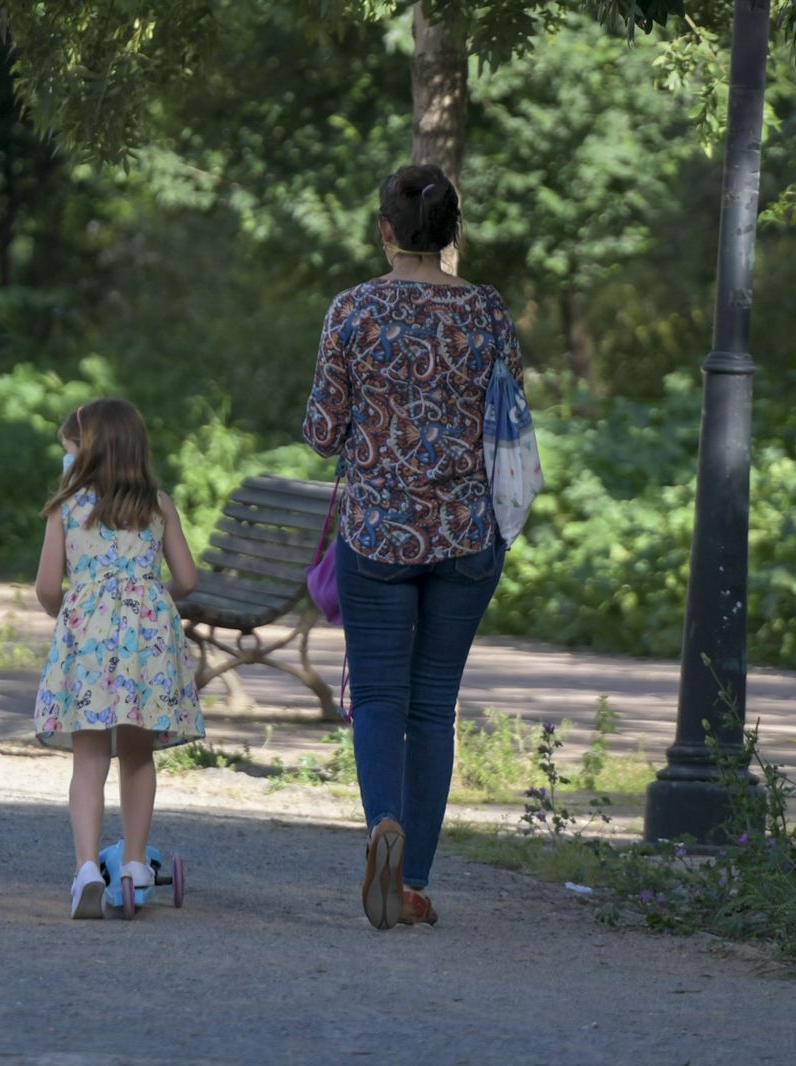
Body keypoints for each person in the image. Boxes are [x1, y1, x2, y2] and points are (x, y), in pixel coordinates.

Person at [302, 163, 523, 930]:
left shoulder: (354, 309)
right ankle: (416, 882)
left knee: (379, 698)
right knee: (434, 707)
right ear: (453, 232)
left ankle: (382, 828)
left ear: (385, 230)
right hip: (467, 535)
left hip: (377, 537)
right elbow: (510, 413)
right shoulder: (488, 312)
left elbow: (323, 431)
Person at [33, 398, 205, 919]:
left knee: (88, 760)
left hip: (87, 638)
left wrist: (77, 610)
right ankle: (132, 862)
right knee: (136, 755)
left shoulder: (66, 509)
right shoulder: (158, 504)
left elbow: (45, 587)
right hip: (146, 644)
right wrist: (149, 595)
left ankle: (87, 867)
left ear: (86, 454)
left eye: (70, 453)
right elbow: (190, 580)